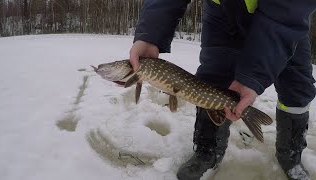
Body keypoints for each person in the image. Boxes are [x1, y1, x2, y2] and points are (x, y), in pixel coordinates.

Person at [129, 0, 316, 179]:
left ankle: (290, 155)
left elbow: (288, 8)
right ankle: (207, 151)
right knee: (214, 78)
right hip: (223, 13)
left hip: (285, 17)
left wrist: (253, 76)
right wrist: (150, 35)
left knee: (297, 86)